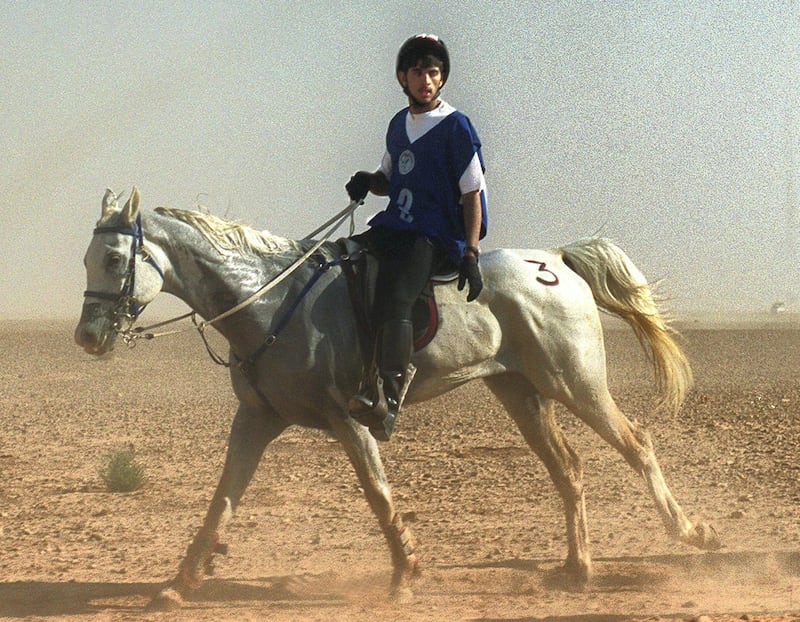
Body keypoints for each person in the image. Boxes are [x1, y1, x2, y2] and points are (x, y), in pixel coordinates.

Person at [344, 33, 488, 442]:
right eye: (418, 72)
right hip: (396, 225)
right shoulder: (398, 123)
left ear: (441, 79)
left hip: (434, 234)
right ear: (402, 78)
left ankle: (388, 397)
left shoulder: (456, 126)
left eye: (433, 72)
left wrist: (472, 253)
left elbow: (471, 194)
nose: (426, 79)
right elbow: (388, 180)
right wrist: (365, 181)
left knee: (395, 297)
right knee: (345, 269)